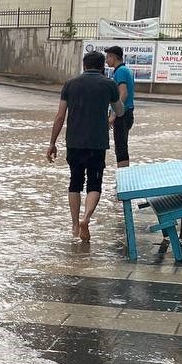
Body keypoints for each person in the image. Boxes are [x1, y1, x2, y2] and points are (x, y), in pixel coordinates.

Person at [47, 50, 125, 242]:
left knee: (75, 182)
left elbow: (60, 116)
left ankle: (75, 225)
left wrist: (52, 143)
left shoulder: (70, 84)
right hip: (97, 143)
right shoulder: (109, 84)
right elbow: (120, 111)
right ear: (102, 67)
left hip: (74, 142)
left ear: (84, 66)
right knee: (94, 184)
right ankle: (86, 218)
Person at [105, 45, 136, 168]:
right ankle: (124, 171)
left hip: (122, 114)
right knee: (121, 145)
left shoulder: (120, 71)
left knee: (120, 147)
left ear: (114, 57)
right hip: (127, 113)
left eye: (108, 57)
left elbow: (123, 93)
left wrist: (114, 115)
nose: (106, 60)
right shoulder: (126, 70)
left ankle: (123, 174)